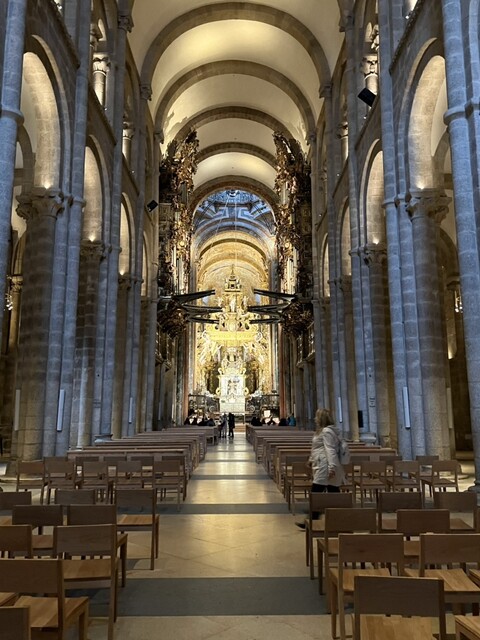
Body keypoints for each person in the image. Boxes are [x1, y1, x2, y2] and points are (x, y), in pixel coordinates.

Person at [296, 408, 345, 529]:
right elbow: (317, 448)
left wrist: (332, 467)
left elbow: (330, 449)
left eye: (317, 416)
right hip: (322, 463)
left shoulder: (327, 432)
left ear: (321, 418)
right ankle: (338, 518)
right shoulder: (323, 431)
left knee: (317, 492)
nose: (314, 419)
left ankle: (313, 519)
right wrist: (311, 459)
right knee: (333, 492)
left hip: (325, 465)